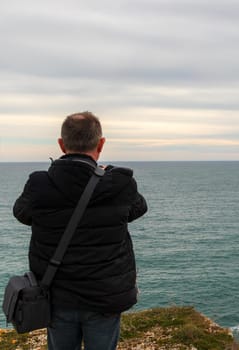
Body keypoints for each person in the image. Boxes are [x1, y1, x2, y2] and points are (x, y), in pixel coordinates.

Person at [13, 112, 147, 350]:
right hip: (105, 297)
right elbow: (139, 208)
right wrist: (110, 171)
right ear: (101, 144)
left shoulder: (39, 184)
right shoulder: (118, 184)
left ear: (61, 145)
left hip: (57, 295)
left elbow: (22, 213)